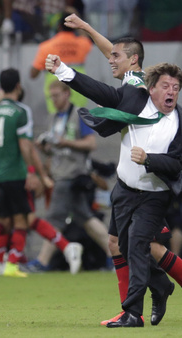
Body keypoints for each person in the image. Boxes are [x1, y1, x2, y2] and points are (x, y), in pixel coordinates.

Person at [45, 55, 182, 327]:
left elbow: (179, 164)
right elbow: (97, 89)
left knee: (139, 245)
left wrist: (148, 159)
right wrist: (63, 70)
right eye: (165, 85)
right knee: (119, 245)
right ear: (151, 89)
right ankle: (181, 290)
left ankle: (133, 313)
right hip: (124, 189)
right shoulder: (135, 101)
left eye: (175, 87)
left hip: (154, 195)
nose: (171, 91)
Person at [64, 13, 177, 326]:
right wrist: (87, 29)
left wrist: (68, 74)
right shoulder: (133, 77)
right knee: (119, 243)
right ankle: (153, 292)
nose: (109, 59)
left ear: (134, 59)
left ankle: (145, 305)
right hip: (127, 177)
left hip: (145, 180)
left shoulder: (139, 85)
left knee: (138, 245)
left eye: (116, 56)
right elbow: (112, 54)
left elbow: (110, 96)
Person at [30, 80, 110, 274]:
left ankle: (42, 260)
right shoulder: (52, 118)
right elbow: (55, 151)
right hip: (60, 173)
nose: (54, 100)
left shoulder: (79, 115)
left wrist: (65, 142)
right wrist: (45, 147)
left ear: (67, 94)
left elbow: (91, 144)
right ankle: (116, 256)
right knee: (87, 220)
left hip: (73, 175)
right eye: (52, 97)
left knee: (54, 218)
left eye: (57, 95)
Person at [0, 68, 39, 277]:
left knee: (1, 222)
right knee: (20, 221)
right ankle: (12, 265)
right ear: (18, 86)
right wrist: (32, 172)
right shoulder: (21, 111)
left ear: (0, 86)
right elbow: (25, 146)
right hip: (16, 174)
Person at [30, 11, 92, 114]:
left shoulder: (46, 46)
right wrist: (79, 22)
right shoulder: (83, 43)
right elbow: (85, 36)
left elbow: (33, 74)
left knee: (57, 126)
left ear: (58, 26)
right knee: (78, 126)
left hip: (55, 94)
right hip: (79, 92)